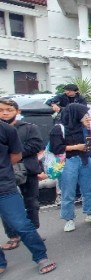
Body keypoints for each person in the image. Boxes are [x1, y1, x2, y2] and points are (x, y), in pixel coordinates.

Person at [0, 120, 56, 275]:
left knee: (21, 224)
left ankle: (41, 257)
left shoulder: (6, 129)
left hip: (4, 185)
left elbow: (16, 156)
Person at [0, 98, 44, 251]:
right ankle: (13, 236)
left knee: (31, 202)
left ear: (18, 112)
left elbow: (37, 145)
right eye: (1, 110)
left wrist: (15, 152)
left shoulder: (29, 127)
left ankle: (33, 233)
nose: (5, 113)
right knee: (7, 207)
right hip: (5, 174)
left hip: (28, 170)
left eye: (9, 110)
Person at [49, 103, 91, 232]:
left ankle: (90, 213)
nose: (86, 116)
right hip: (68, 161)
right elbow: (56, 148)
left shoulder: (86, 128)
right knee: (68, 191)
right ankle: (68, 219)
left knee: (89, 189)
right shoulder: (59, 129)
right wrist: (77, 147)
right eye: (84, 114)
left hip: (85, 159)